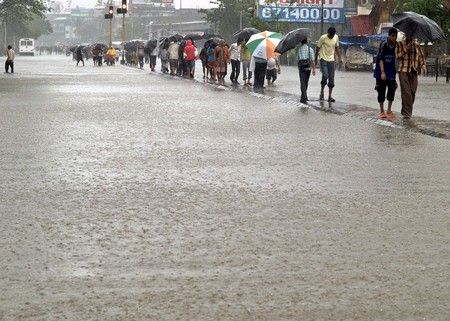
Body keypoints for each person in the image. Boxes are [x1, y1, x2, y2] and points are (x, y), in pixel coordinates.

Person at [396, 34, 427, 119]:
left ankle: (404, 109)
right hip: (403, 70)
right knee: (407, 92)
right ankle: (407, 114)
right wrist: (405, 49)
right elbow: (397, 56)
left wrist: (423, 65)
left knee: (412, 92)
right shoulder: (400, 44)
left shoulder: (416, 45)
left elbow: (421, 56)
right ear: (406, 34)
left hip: (413, 71)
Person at [373, 28, 398, 119]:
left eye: (395, 36)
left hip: (391, 70)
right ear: (389, 35)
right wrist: (382, 72)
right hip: (381, 69)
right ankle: (381, 111)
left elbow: (397, 57)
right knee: (381, 89)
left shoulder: (396, 45)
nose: (394, 38)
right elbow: (381, 59)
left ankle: (389, 110)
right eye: (393, 36)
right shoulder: (384, 44)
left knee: (392, 88)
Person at [315, 27, 341, 102]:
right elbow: (317, 49)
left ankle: (330, 96)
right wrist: (316, 60)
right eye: (330, 35)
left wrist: (340, 58)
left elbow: (337, 48)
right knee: (325, 75)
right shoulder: (323, 38)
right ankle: (322, 92)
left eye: (333, 35)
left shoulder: (336, 37)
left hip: (331, 60)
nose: (332, 36)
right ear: (328, 33)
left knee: (331, 79)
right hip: (323, 59)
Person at [297, 38, 316, 103]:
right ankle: (304, 96)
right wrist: (314, 69)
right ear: (306, 41)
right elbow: (312, 60)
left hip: (301, 68)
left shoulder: (299, 49)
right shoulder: (310, 49)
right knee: (306, 82)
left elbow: (298, 59)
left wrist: (298, 66)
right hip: (308, 68)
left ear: (301, 42)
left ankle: (304, 96)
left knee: (302, 83)